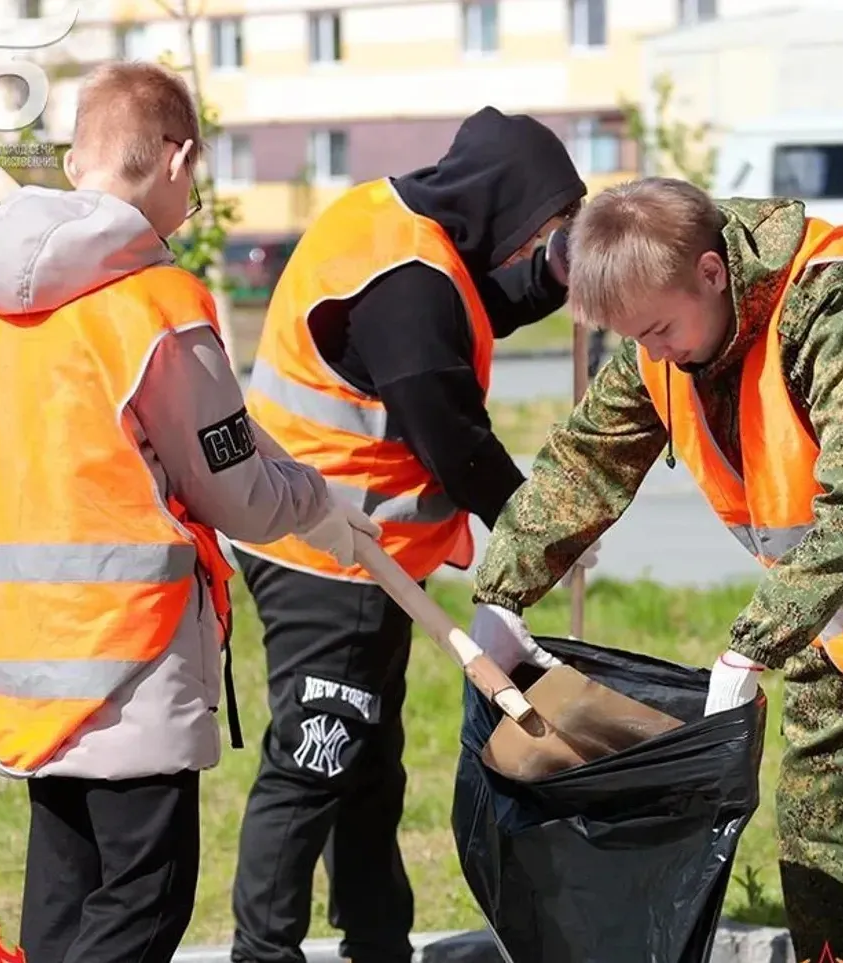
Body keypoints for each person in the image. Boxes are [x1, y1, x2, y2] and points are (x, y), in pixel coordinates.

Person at [464, 175, 843, 962]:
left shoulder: (838, 304)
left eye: (660, 330)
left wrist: (751, 643)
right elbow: (586, 463)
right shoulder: (666, 325)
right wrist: (501, 593)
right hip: (831, 602)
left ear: (713, 272)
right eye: (636, 338)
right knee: (821, 835)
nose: (654, 353)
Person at [0, 61, 374, 963]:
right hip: (129, 652)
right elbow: (232, 487)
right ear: (177, 158)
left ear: (79, 157)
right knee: (145, 899)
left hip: (20, 651)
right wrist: (317, 510)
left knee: (65, 891)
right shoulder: (155, 303)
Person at [225, 106, 596, 963]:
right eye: (541, 233)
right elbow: (455, 440)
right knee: (316, 760)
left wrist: (558, 276)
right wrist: (543, 530)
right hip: (337, 555)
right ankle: (264, 952)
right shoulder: (409, 285)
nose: (533, 250)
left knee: (363, 760)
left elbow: (477, 304)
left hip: (327, 540)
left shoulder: (392, 224)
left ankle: (379, 940)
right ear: (500, 205)